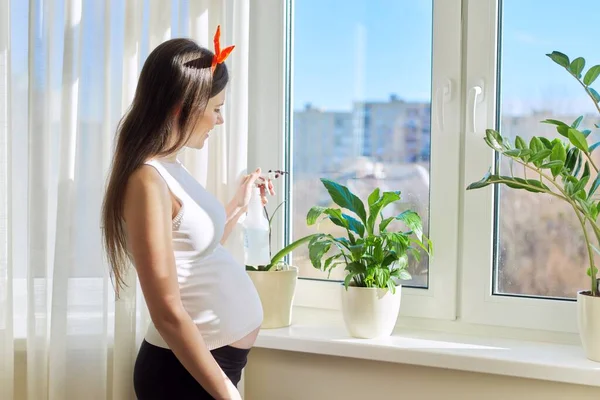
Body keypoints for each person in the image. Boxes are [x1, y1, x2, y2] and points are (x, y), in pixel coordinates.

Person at [101, 27, 272, 399]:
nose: (219, 121)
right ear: (183, 108)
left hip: (208, 367)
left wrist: (241, 204)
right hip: (183, 376)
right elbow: (166, 310)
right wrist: (225, 392)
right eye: (215, 109)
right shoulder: (146, 180)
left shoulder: (169, 166)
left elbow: (194, 253)